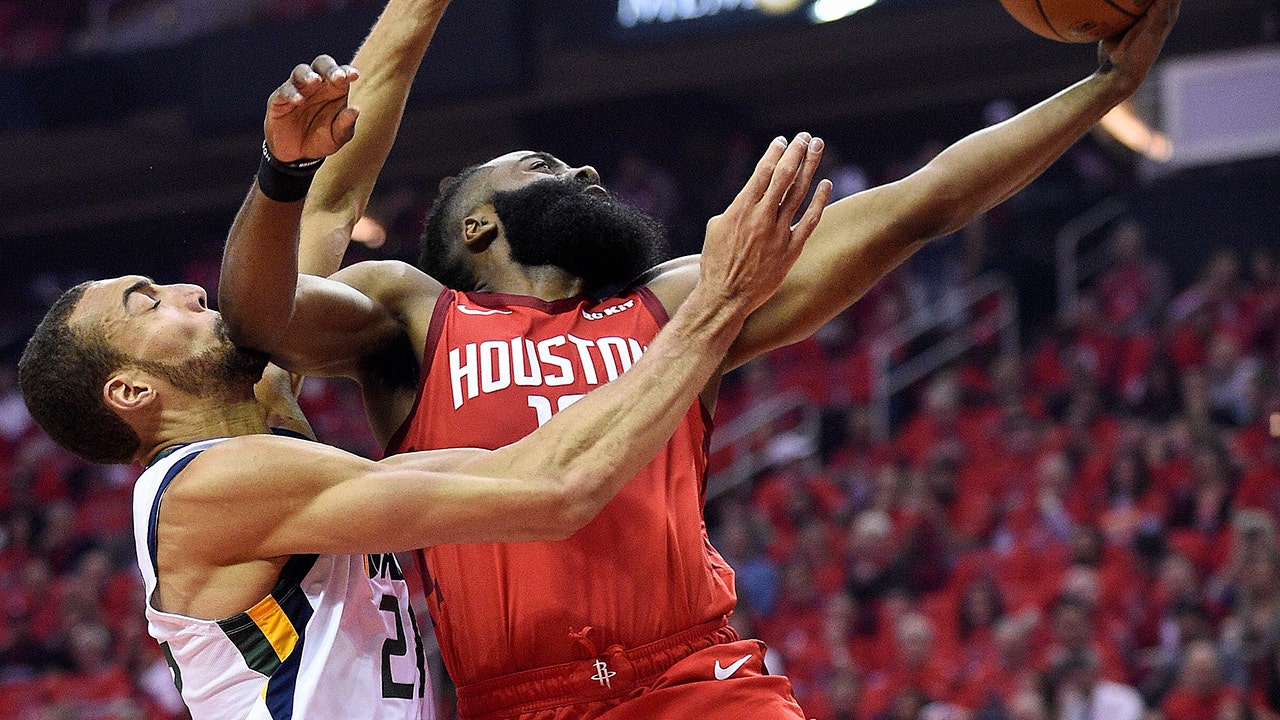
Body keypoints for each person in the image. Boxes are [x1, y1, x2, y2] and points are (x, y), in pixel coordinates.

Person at [218, 0, 1181, 717]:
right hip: (515, 697)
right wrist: (281, 177)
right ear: (476, 222)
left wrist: (1105, 89)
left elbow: (920, 205)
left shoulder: (679, 300)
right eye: (545, 169)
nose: (586, 172)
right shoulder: (413, 317)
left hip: (695, 676)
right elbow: (259, 315)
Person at [15, 43, 829, 720]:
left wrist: (303, 149)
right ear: (131, 392)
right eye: (147, 302)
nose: (189, 291)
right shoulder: (212, 486)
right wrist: (714, 306)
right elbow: (556, 486)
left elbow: (330, 202)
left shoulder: (270, 430)